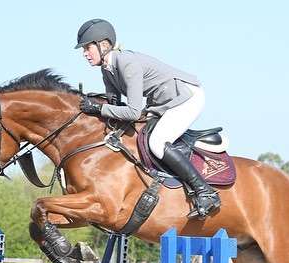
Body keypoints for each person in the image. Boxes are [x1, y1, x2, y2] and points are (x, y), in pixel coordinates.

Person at [75, 18, 221, 219]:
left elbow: (133, 112)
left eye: (87, 48)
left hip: (186, 96)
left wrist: (99, 109)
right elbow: (115, 104)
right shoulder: (107, 69)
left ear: (103, 45)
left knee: (157, 142)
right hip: (162, 101)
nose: (84, 54)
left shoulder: (126, 63)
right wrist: (94, 107)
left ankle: (206, 192)